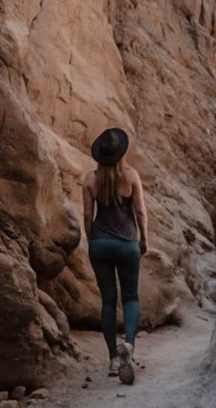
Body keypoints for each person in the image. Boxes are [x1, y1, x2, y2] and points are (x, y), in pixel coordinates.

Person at [82, 127, 148, 385]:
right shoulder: (131, 176)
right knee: (130, 296)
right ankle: (129, 346)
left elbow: (88, 216)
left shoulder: (90, 180)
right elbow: (140, 212)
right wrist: (144, 239)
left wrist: (92, 241)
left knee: (108, 301)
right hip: (127, 245)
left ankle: (112, 359)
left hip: (100, 244)